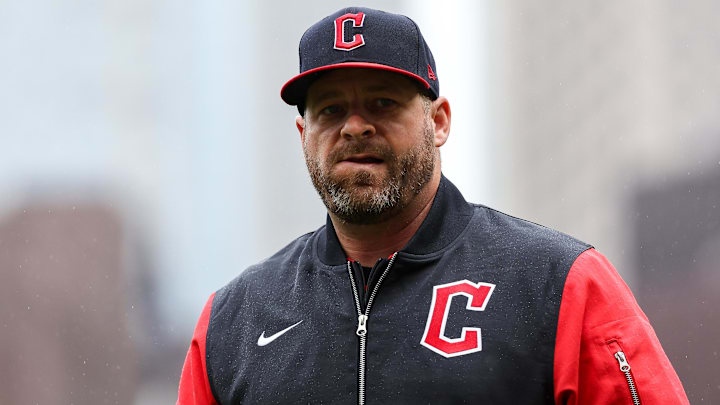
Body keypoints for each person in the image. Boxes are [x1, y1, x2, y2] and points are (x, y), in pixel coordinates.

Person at [177, 7, 689, 405]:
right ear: (303, 135)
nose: (355, 126)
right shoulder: (234, 319)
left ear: (439, 121)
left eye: (382, 102)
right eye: (331, 110)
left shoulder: (559, 282)